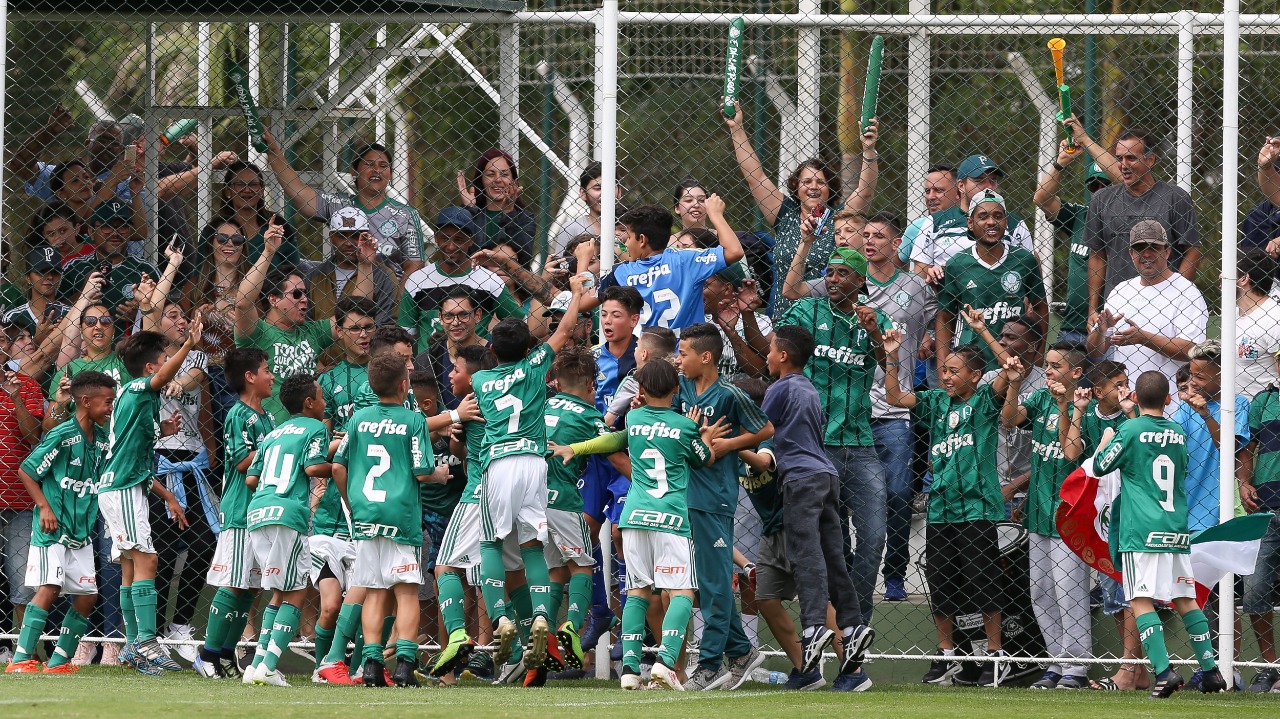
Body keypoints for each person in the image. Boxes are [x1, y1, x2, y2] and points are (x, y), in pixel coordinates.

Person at [557, 359, 724, 691]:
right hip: (671, 518)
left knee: (637, 591)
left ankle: (630, 670)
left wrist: (575, 448)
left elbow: (612, 441)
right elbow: (705, 459)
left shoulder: (633, 419)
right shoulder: (684, 426)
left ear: (642, 390)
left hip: (633, 517)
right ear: (676, 388)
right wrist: (703, 435)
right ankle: (666, 663)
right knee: (681, 592)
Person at [467, 275, 589, 681]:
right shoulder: (536, 366)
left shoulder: (480, 380)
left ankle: (501, 618)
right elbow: (564, 330)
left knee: (490, 542)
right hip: (535, 463)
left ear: (491, 350)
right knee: (532, 546)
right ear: (528, 350)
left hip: (499, 462)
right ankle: (540, 615)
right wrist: (575, 290)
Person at [884, 338, 1014, 688]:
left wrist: (982, 330)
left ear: (976, 375)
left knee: (983, 583)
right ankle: (948, 653)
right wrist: (892, 356)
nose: (946, 376)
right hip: (941, 508)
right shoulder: (936, 401)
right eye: (943, 370)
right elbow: (894, 397)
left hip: (976, 508)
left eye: (954, 371)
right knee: (941, 586)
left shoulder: (985, 401)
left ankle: (995, 654)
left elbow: (1009, 367)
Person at [1093, 370, 1227, 698]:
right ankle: (1211, 672)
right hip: (1175, 528)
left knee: (1140, 599)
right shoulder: (1177, 432)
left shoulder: (1130, 430)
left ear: (1135, 398)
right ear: (1168, 399)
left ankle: (1165, 672)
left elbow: (1099, 467)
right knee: (1185, 599)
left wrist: (1106, 440)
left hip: (1140, 530)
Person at [776, 248, 891, 624]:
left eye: (843, 273)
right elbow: (776, 346)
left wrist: (874, 332)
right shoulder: (808, 311)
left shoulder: (875, 319)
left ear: (860, 281)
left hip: (860, 443)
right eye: (829, 272)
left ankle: (856, 622)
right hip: (815, 446)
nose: (833, 279)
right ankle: (832, 624)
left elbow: (891, 366)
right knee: (829, 545)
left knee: (874, 538)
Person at [762, 325, 876, 692]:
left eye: (770, 349)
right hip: (827, 476)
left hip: (800, 479)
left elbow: (761, 429)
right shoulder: (809, 388)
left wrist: (726, 442)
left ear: (783, 355)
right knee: (833, 556)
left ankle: (813, 627)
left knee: (805, 553)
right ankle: (853, 625)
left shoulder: (780, 388)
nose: (767, 356)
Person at [674, 323, 774, 690]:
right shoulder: (682, 387)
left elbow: (766, 430)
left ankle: (711, 665)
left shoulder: (730, 395)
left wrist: (729, 445)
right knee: (707, 581)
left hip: (714, 497)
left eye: (684, 353)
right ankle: (741, 651)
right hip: (686, 493)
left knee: (715, 584)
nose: (678, 359)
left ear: (706, 357)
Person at [332, 352, 438, 687]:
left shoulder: (357, 419)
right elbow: (423, 471)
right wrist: (439, 474)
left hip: (366, 514)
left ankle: (372, 665)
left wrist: (352, 504)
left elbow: (337, 466)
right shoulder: (414, 420)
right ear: (405, 385)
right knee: (406, 592)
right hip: (400, 515)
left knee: (375, 591)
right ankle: (405, 663)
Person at [96, 327, 196, 674]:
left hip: (124, 487)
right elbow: (163, 378)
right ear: (151, 368)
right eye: (165, 359)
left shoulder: (140, 402)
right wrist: (189, 345)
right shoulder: (137, 388)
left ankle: (132, 646)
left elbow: (136, 458)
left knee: (130, 567)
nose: (170, 365)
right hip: (122, 489)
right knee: (148, 559)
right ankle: (147, 643)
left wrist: (168, 494)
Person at [5, 371, 115, 674]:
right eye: (107, 402)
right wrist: (44, 507)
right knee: (50, 587)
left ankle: (59, 661)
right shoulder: (62, 435)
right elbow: (27, 470)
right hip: (52, 529)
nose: (110, 408)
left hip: (81, 531)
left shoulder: (102, 439)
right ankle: (20, 659)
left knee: (88, 596)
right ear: (85, 401)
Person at [722, 102, 879, 313]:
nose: (813, 187)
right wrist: (737, 129)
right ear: (796, 188)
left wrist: (869, 150)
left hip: (825, 317)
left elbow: (865, 190)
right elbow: (755, 177)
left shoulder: (840, 218)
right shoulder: (785, 215)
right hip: (783, 316)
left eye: (821, 182)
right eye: (806, 182)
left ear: (830, 189)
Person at [1000, 343, 1093, 689]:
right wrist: (1014, 383)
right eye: (1047, 364)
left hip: (1070, 515)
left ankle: (1076, 666)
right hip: (1038, 511)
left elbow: (1071, 455)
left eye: (1056, 366)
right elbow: (1008, 419)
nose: (1049, 371)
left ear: (1076, 372)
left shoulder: (1088, 407)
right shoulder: (1040, 398)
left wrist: (1066, 406)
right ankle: (1056, 661)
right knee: (1040, 591)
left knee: (1069, 590)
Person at [242, 373, 337, 687]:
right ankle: (269, 666)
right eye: (321, 396)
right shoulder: (315, 428)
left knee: (278, 592)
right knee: (296, 591)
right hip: (289, 514)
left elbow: (251, 478)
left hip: (258, 512)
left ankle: (257, 665)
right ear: (309, 403)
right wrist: (341, 465)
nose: (325, 402)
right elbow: (313, 467)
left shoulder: (273, 433)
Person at [541, 348, 626, 671]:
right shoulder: (589, 416)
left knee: (554, 570)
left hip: (534, 499)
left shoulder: (542, 407)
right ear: (592, 385)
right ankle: (572, 624)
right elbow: (614, 451)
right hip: (565, 499)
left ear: (557, 383)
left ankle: (545, 632)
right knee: (581, 565)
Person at [1061, 361, 1144, 691]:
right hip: (1100, 514)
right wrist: (1078, 410)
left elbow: (1145, 446)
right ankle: (1138, 672)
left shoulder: (1132, 415)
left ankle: (1128, 669)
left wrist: (1131, 411)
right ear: (1098, 391)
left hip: (1131, 509)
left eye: (1127, 382)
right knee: (1113, 594)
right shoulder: (1089, 416)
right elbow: (1071, 453)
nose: (1125, 389)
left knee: (1130, 592)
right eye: (1117, 384)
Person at [193, 347, 275, 680]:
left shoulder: (268, 417)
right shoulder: (237, 415)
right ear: (250, 377)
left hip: (261, 510)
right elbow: (242, 461)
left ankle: (226, 653)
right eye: (267, 370)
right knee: (233, 584)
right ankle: (207, 655)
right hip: (241, 509)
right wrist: (278, 448)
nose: (272, 376)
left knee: (251, 587)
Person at [422, 344, 497, 682]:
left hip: (478, 494)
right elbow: (460, 449)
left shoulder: (471, 405)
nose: (450, 374)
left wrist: (455, 422)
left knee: (444, 567)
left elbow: (459, 450)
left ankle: (458, 639)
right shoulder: (512, 397)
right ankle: (508, 650)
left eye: (456, 369)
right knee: (505, 573)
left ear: (475, 376)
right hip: (518, 493)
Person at [233, 219, 358, 422]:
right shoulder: (257, 333)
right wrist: (268, 252)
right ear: (274, 299)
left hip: (310, 429)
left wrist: (366, 265)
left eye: (305, 293)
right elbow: (243, 303)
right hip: (273, 430)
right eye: (297, 294)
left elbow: (355, 313)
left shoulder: (312, 331)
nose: (305, 299)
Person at [264, 132, 428, 276]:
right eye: (369, 164)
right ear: (354, 171)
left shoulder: (406, 215)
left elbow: (414, 267)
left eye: (383, 166)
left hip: (388, 296)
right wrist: (273, 152)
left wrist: (398, 301)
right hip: (343, 295)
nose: (377, 170)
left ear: (390, 174)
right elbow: (298, 191)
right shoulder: (339, 205)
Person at [1087, 219, 1208, 403]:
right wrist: (1101, 330)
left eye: (1154, 247)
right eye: (1139, 248)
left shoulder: (1186, 291)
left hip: (1171, 403)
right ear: (1131, 253)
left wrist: (1143, 338)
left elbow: (1192, 350)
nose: (1146, 254)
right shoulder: (1121, 290)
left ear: (1167, 251)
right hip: (1129, 403)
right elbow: (1094, 351)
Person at [1084, 129, 1202, 315]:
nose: (1124, 165)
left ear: (1150, 160)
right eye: (1119, 158)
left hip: (1164, 307)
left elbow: (1192, 251)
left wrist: (1177, 296)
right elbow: (1097, 256)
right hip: (1118, 306)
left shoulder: (1175, 198)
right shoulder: (1101, 200)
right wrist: (1092, 309)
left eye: (1131, 158)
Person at [586, 198, 744, 333]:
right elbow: (734, 251)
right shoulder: (687, 260)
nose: (626, 243)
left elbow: (582, 304)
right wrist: (716, 215)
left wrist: (583, 262)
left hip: (642, 354)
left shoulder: (621, 272)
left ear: (642, 240)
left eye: (629, 238)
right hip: (685, 353)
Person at [935, 190, 1047, 372]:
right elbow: (944, 318)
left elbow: (1041, 307)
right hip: (969, 364)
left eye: (998, 216)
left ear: (1006, 221)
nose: (991, 222)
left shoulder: (1024, 260)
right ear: (970, 223)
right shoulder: (957, 264)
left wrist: (1038, 356)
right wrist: (943, 368)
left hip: (1014, 363)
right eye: (983, 216)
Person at [1032, 129, 1122, 344]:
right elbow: (1042, 199)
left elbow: (1126, 183)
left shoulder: (1128, 219)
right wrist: (1061, 162)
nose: (1099, 190)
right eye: (1093, 185)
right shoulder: (1079, 215)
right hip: (1073, 324)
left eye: (1105, 185)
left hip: (1113, 327)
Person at [400, 207, 524, 349]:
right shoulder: (417, 281)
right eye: (445, 238)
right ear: (436, 238)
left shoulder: (490, 281)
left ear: (471, 240)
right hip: (429, 362)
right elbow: (405, 336)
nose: (451, 246)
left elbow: (520, 327)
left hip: (475, 361)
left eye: (458, 239)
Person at [911, 155, 1035, 282]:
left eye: (992, 180)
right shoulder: (934, 223)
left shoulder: (1014, 224)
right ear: (961, 185)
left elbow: (1030, 273)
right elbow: (920, 279)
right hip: (949, 293)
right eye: (979, 181)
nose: (988, 187)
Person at [0, 341, 48, 657]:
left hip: (18, 498)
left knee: (22, 581)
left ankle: (26, 652)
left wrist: (16, 398)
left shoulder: (26, 385)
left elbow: (33, 435)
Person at [1173, 341, 1251, 533]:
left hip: (1222, 507)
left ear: (1222, 376)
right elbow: (1172, 444)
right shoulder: (1185, 407)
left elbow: (1229, 448)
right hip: (1189, 503)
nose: (1192, 382)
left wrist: (1206, 415)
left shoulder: (1238, 405)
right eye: (1191, 374)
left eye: (1199, 377)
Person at [1241, 351, 1280, 692]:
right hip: (1266, 508)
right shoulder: (1263, 400)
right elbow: (1247, 448)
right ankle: (1270, 667)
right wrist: (1243, 481)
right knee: (1255, 591)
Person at [58, 200, 161, 324]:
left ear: (130, 231)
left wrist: (141, 312)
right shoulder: (74, 267)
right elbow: (56, 311)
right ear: (91, 232)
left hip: (132, 336)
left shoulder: (146, 270)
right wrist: (83, 295)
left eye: (122, 227)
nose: (115, 233)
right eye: (106, 227)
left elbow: (165, 315)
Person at [300, 207, 398, 326]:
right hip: (320, 338)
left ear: (367, 236)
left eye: (356, 236)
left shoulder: (383, 276)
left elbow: (386, 324)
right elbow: (305, 325)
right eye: (342, 236)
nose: (348, 243)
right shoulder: (314, 276)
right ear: (331, 237)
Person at [200, 161, 299, 272]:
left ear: (261, 191)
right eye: (239, 184)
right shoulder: (213, 229)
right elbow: (198, 274)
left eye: (253, 184)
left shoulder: (278, 225)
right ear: (228, 191)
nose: (247, 189)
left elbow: (295, 272)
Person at [456, 149, 537, 265]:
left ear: (514, 181)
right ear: (481, 180)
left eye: (504, 174)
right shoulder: (471, 214)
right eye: (491, 174)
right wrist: (469, 209)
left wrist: (509, 213)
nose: (498, 180)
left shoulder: (525, 218)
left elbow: (524, 257)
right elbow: (457, 252)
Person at [416, 288, 488, 411]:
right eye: (448, 316)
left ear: (477, 315)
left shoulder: (495, 355)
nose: (456, 322)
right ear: (440, 318)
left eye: (464, 314)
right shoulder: (426, 360)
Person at [318, 297, 379, 432]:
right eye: (355, 329)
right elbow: (323, 433)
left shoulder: (391, 371)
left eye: (369, 327)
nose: (363, 334)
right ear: (339, 331)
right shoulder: (328, 379)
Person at [550, 161, 622, 257]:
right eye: (597, 188)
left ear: (619, 191)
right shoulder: (571, 229)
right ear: (583, 193)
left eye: (610, 188)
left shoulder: (630, 227)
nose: (605, 194)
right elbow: (561, 264)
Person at [1235, 251, 1280, 398]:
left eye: (1227, 271)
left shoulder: (1274, 318)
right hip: (1232, 408)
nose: (1220, 276)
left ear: (1244, 278)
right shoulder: (1231, 315)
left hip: (1264, 410)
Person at [899, 165, 960, 267]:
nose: (931, 197)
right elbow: (893, 267)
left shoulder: (976, 222)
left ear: (958, 191)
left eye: (939, 190)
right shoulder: (917, 227)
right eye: (927, 191)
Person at [2, 247, 69, 338]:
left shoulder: (71, 313)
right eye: (42, 272)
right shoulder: (13, 317)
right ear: (28, 277)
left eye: (55, 272)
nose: (50, 277)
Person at [25, 203, 93, 267]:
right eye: (51, 234)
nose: (58, 237)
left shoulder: (95, 250)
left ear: (76, 229)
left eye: (63, 231)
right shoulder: (48, 262)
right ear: (45, 235)